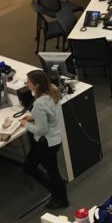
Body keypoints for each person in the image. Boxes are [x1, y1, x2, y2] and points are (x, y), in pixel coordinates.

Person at [19, 69, 68, 210]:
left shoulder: (39, 103)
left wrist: (26, 124)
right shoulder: (52, 90)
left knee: (46, 170)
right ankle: (57, 191)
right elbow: (50, 114)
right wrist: (34, 118)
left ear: (37, 85)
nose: (26, 83)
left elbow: (41, 130)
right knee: (42, 168)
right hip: (54, 138)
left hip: (46, 142)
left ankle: (60, 197)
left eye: (28, 81)